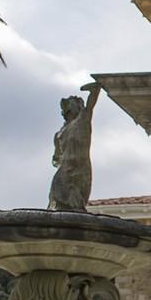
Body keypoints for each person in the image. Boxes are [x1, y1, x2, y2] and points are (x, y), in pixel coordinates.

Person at [49, 82, 101, 211]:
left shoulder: (82, 121)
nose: (70, 110)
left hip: (80, 167)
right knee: (58, 192)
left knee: (75, 198)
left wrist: (94, 91)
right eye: (68, 107)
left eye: (73, 105)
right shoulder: (60, 133)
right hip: (66, 167)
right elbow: (56, 158)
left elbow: (90, 107)